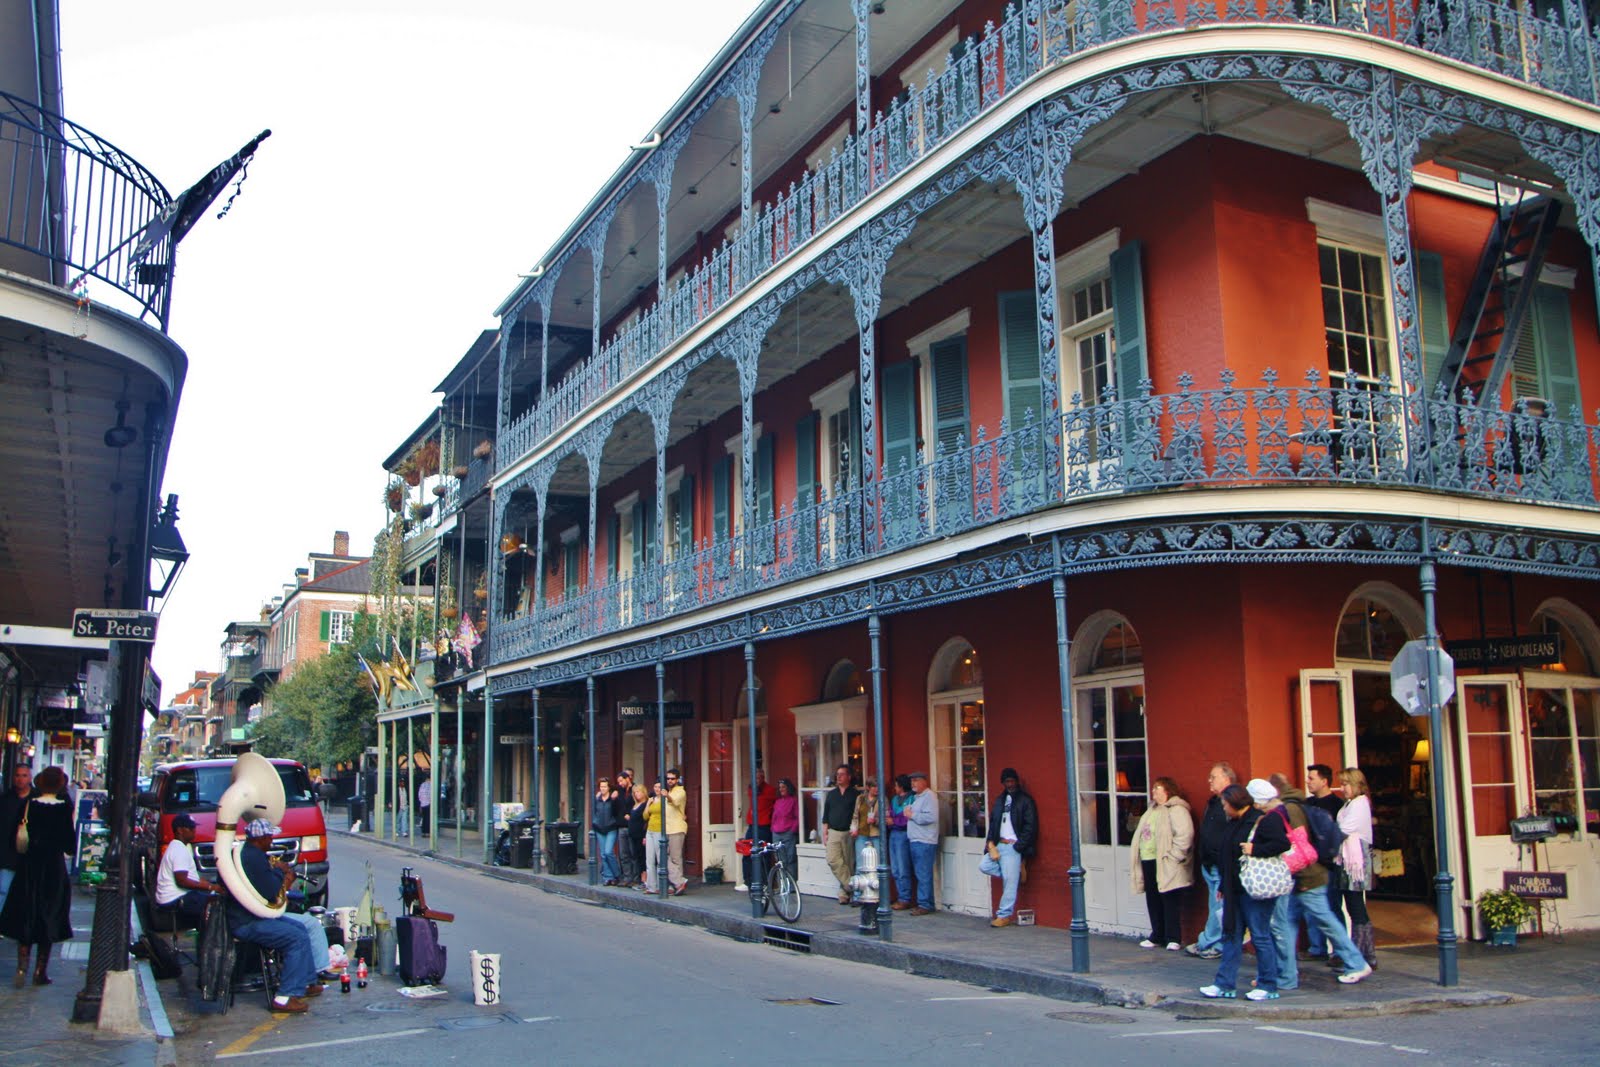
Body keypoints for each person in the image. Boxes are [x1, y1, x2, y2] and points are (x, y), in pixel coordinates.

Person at [1262, 777, 1372, 990]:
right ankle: (1286, 975)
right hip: (1303, 877)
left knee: (1320, 920)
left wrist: (1302, 877)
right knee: (1289, 922)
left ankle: (1355, 963)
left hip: (1306, 877)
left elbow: (1298, 846)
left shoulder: (1289, 810)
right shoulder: (1296, 806)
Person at [225, 818, 321, 1013]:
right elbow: (270, 891)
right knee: (296, 938)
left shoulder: (246, 853)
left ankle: (306, 982)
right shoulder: (254, 858)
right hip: (248, 921)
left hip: (250, 916)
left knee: (300, 928)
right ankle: (285, 997)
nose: (272, 841)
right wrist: (280, 873)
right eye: (269, 837)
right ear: (260, 838)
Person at [1199, 781, 1284, 1001]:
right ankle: (1224, 984)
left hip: (1255, 889)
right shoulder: (1234, 822)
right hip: (1234, 889)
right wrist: (1223, 886)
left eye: (1225, 804)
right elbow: (1227, 855)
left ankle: (1268, 985)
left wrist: (1256, 849)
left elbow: (1282, 844)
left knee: (1260, 935)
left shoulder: (1262, 820)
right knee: (1231, 936)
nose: (1224, 808)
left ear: (1235, 803)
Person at [0, 766, 71, 987]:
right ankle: (40, 971)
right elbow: (69, 843)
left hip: (29, 867)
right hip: (53, 869)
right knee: (48, 916)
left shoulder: (29, 805)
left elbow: (15, 836)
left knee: (26, 914)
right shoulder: (63, 808)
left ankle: (22, 966)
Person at [1129, 776, 1194, 949]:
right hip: (1148, 859)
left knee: (1169, 898)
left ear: (1167, 790)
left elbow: (1185, 835)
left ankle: (1173, 937)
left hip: (1166, 861)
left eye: (1157, 788)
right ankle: (1157, 934)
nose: (1153, 791)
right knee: (1153, 897)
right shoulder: (1152, 810)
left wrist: (1174, 857)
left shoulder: (1177, 809)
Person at [1185, 762, 1235, 960]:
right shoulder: (1213, 802)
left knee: (1219, 907)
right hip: (1209, 863)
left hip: (1220, 864)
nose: (1209, 781)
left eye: (1213, 777)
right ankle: (1210, 941)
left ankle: (1211, 942)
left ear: (1226, 779)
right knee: (1215, 905)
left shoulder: (1231, 803)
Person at [981, 768, 1038, 928]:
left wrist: (1019, 846)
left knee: (1009, 883)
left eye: (1012, 781)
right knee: (984, 866)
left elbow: (1031, 826)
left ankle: (1004, 915)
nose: (1010, 784)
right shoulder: (1000, 800)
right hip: (999, 844)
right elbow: (993, 823)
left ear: (1017, 781)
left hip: (1014, 846)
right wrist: (990, 843)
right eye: (1007, 781)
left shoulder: (1025, 800)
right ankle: (1015, 873)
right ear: (1003, 783)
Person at [1335, 767, 1378, 970]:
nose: (1342, 788)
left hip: (1355, 861)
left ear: (1356, 785)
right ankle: (1367, 954)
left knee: (1356, 908)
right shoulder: (1350, 804)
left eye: (1346, 784)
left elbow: (1343, 829)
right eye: (1342, 784)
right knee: (1355, 907)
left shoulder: (1360, 803)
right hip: (1348, 858)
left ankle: (1360, 955)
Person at [154, 813, 222, 923]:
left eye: (194, 827)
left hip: (176, 897)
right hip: (175, 899)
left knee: (210, 896)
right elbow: (182, 881)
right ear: (179, 830)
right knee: (216, 903)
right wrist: (210, 887)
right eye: (190, 828)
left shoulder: (177, 846)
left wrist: (210, 885)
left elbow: (192, 878)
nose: (194, 830)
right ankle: (209, 933)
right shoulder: (179, 849)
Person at [820, 765, 860, 905]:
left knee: (848, 863)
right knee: (833, 859)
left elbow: (858, 815)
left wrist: (855, 829)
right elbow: (826, 816)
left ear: (849, 777)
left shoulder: (855, 794)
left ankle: (843, 893)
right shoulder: (832, 794)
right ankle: (852, 887)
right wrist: (824, 833)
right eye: (837, 774)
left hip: (849, 832)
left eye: (842, 774)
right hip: (833, 831)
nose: (839, 777)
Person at [904, 771, 938, 915]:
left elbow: (931, 817)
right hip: (915, 839)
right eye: (912, 781)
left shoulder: (929, 796)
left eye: (916, 780)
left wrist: (912, 815)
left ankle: (925, 904)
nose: (913, 784)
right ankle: (926, 902)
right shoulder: (916, 798)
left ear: (924, 781)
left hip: (924, 840)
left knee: (923, 874)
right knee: (920, 873)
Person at [0, 764, 32, 915]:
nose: (20, 779)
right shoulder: (5, 799)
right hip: (7, 853)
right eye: (18, 775)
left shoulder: (35, 800)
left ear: (30, 777)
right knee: (3, 890)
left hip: (29, 855)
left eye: (24, 775)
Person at [740, 769, 776, 892]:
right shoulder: (751, 789)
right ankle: (748, 881)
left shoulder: (770, 790)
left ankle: (765, 883)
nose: (757, 780)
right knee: (747, 852)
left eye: (760, 778)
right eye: (755, 778)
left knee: (764, 855)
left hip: (764, 826)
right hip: (752, 825)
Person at [850, 778, 881, 903]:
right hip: (862, 833)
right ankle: (858, 894)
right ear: (868, 787)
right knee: (860, 864)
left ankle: (877, 893)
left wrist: (876, 821)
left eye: (878, 786)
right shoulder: (860, 798)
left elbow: (886, 817)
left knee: (877, 864)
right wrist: (854, 828)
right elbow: (855, 815)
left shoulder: (882, 799)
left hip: (876, 834)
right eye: (874, 786)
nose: (876, 789)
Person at [888, 775, 913, 910]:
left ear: (901, 786)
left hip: (904, 834)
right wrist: (893, 820)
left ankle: (905, 898)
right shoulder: (894, 799)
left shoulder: (911, 798)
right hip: (893, 833)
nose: (895, 788)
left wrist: (895, 821)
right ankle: (900, 896)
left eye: (896, 785)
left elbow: (906, 819)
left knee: (903, 867)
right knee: (895, 868)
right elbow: (892, 814)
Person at [661, 769, 688, 896]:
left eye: (672, 778)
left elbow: (674, 801)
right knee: (664, 856)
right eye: (668, 779)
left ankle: (677, 883)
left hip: (676, 828)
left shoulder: (680, 791)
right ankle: (677, 882)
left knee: (675, 858)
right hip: (666, 828)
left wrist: (667, 796)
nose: (670, 781)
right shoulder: (669, 791)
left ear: (677, 779)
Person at [592, 776, 621, 886]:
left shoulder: (613, 799)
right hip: (599, 828)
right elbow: (594, 812)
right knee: (603, 854)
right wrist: (595, 823)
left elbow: (617, 811)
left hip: (611, 828)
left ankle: (617, 874)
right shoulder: (597, 799)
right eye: (601, 787)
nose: (603, 788)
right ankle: (608, 877)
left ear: (609, 787)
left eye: (605, 786)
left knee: (609, 852)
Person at [770, 778, 799, 881]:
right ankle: (782, 884)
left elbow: (798, 816)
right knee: (779, 861)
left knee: (790, 859)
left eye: (783, 787)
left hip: (788, 833)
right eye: (780, 788)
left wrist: (793, 830)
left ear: (788, 788)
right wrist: (773, 828)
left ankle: (791, 885)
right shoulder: (777, 801)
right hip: (776, 833)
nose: (781, 789)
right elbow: (774, 816)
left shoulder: (793, 800)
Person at [615, 771, 639, 885]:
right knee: (623, 854)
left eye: (621, 781)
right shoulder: (619, 791)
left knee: (633, 853)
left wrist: (631, 815)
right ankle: (627, 877)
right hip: (621, 825)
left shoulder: (635, 789)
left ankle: (635, 877)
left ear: (627, 778)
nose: (620, 783)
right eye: (618, 782)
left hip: (632, 825)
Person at [626, 783, 650, 889]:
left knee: (643, 857)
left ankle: (645, 880)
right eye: (635, 792)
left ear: (643, 792)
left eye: (638, 792)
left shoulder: (645, 804)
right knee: (636, 856)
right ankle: (640, 878)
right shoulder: (635, 805)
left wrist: (645, 836)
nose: (636, 794)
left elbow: (646, 821)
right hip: (633, 835)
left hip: (641, 834)